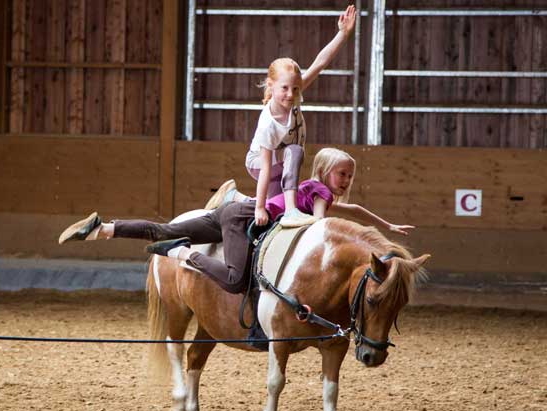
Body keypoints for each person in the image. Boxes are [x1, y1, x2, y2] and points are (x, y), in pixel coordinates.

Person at [58, 148, 414, 295]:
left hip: (235, 210)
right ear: (325, 172)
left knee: (164, 229)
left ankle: (102, 228)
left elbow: (356, 212)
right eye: (343, 174)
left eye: (350, 175)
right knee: (234, 280)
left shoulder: (315, 189)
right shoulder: (320, 193)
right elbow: (319, 226)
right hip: (243, 219)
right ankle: (183, 256)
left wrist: (389, 226)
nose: (347, 180)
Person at [237, 5, 357, 228]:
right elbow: (264, 168)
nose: (290, 94)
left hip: (279, 166)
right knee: (294, 151)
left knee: (275, 208)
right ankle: (290, 210)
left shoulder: (295, 95)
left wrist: (342, 33)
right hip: (259, 164)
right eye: (284, 88)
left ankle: (236, 200)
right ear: (271, 86)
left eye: (295, 89)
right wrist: (259, 208)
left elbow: (320, 63)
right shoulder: (269, 122)